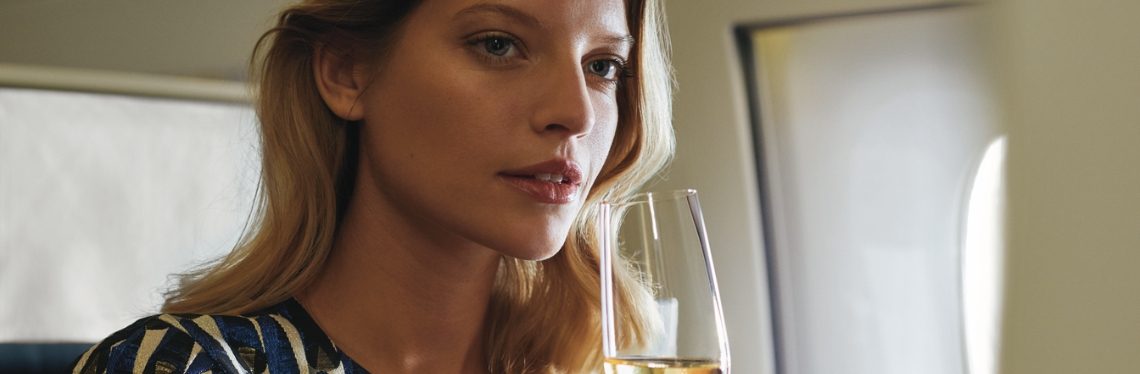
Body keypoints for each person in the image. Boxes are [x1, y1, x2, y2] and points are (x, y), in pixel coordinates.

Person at [72, 0, 673, 372]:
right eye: (498, 44)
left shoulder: (598, 366)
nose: (577, 112)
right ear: (347, 73)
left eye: (602, 66)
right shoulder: (188, 367)